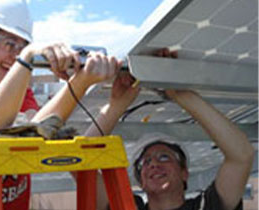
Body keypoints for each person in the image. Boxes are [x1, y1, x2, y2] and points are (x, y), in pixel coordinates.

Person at [0, 0, 126, 209]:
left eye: (23, 47)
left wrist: (81, 82)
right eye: (9, 44)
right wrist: (27, 57)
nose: (16, 56)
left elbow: (40, 128)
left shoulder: (20, 94)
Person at [92, 49, 255, 210]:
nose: (153, 164)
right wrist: (115, 107)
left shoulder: (205, 206)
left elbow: (242, 156)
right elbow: (80, 161)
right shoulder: (127, 206)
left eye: (164, 157)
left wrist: (182, 94)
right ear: (141, 182)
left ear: (184, 173)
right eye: (145, 162)